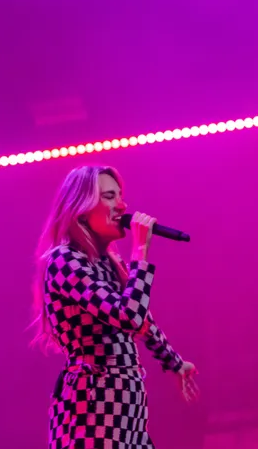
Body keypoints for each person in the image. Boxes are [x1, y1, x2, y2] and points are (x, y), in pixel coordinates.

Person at [31, 165, 200, 449]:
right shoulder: (65, 260)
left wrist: (174, 362)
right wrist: (140, 252)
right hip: (93, 403)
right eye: (109, 196)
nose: (122, 205)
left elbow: (144, 322)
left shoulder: (109, 262)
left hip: (127, 400)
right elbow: (128, 317)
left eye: (120, 196)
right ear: (82, 210)